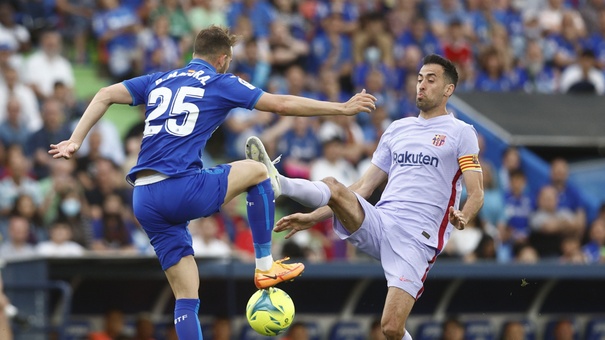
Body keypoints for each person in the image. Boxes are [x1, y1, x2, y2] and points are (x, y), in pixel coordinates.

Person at [49, 25, 376, 340]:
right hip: (179, 186)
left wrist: (75, 140)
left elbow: (105, 93)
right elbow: (281, 104)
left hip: (144, 198)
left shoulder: (160, 78)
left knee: (186, 296)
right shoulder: (220, 81)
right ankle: (264, 266)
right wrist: (341, 108)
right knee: (258, 170)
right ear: (223, 58)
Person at [260, 54, 484, 340]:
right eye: (419, 79)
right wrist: (312, 218)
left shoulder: (461, 132)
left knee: (390, 327)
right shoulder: (397, 129)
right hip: (381, 221)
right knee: (335, 186)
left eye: (431, 79)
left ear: (448, 89)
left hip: (418, 239)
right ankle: (279, 183)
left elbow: (476, 192)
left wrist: (464, 215)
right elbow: (365, 186)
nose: (422, 85)